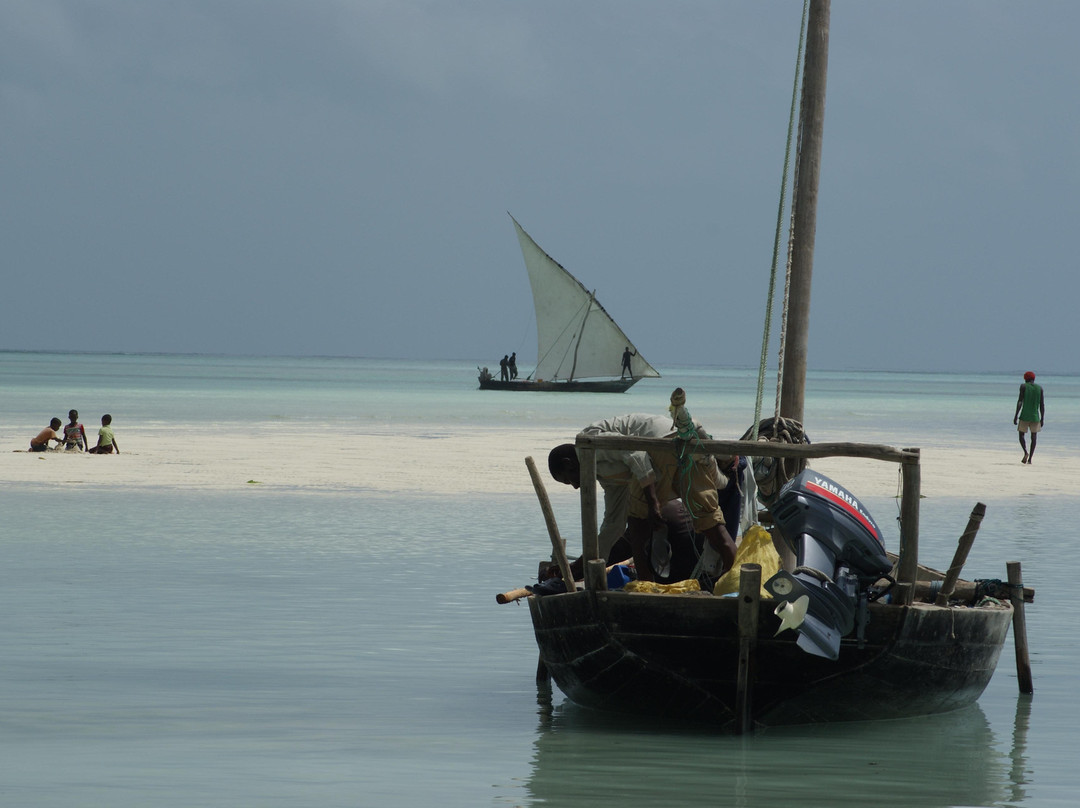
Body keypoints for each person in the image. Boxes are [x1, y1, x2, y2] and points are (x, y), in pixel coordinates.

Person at [547, 412, 737, 582]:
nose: (575, 486)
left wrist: (653, 503)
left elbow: (636, 453)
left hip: (660, 442)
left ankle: (645, 586)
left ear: (568, 463)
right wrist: (578, 567)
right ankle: (736, 582)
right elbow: (613, 526)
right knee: (712, 525)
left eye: (568, 479)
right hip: (683, 443)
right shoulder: (608, 476)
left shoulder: (587, 444)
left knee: (637, 524)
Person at [1014, 371, 1045, 464]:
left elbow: (1020, 401)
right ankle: (1030, 458)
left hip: (1024, 416)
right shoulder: (1040, 388)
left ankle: (1025, 452)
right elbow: (1042, 405)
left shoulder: (1023, 386)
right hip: (1035, 417)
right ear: (1033, 379)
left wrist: (1016, 415)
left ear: (1025, 378)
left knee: (1021, 435)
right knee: (1034, 437)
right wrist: (1042, 418)